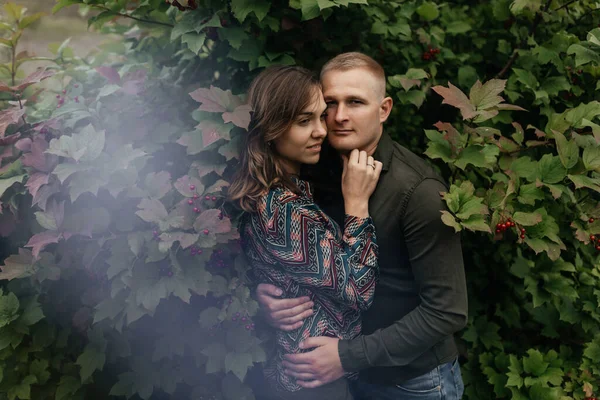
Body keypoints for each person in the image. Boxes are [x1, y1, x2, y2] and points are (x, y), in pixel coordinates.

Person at [255, 53, 468, 400]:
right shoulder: (312, 165)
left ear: (383, 109)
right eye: (330, 103)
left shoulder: (419, 191)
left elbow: (447, 311)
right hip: (341, 379)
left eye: (355, 102)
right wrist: (269, 297)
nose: (339, 117)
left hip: (410, 383)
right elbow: (312, 262)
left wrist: (346, 356)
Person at [228, 65, 383, 400]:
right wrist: (356, 204)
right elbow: (359, 289)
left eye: (319, 116)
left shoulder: (286, 192)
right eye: (303, 121)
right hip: (313, 384)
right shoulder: (282, 210)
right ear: (271, 128)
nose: (321, 131)